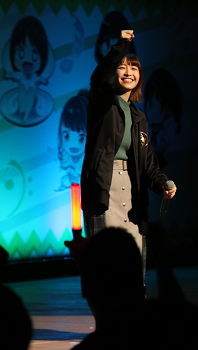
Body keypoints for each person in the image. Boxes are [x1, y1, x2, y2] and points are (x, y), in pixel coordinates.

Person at [80, 30, 176, 266]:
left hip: (134, 197)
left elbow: (149, 166)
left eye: (134, 68)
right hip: (104, 189)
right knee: (107, 266)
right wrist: (121, 45)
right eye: (122, 67)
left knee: (133, 268)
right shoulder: (102, 103)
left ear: (140, 76)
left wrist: (163, 184)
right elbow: (98, 77)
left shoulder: (139, 118)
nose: (128, 72)